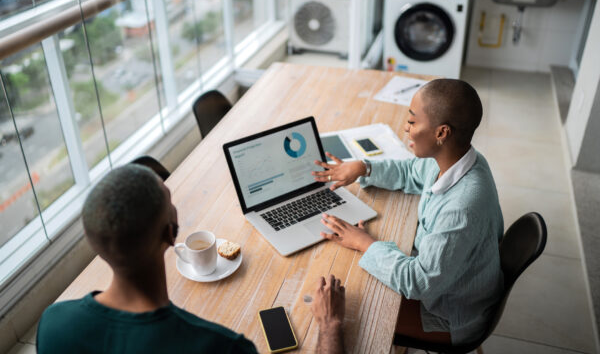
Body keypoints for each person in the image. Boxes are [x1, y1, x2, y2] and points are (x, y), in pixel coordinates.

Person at [37, 164, 346, 353]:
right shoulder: (221, 348)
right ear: (172, 234)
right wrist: (329, 325)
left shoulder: (53, 324)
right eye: (171, 202)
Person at [311, 78, 504, 346]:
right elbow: (410, 171)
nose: (406, 127)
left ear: (441, 133)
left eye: (413, 122)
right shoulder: (460, 158)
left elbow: (418, 282)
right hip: (455, 282)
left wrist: (365, 243)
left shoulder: (461, 208)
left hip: (448, 313)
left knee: (343, 316)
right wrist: (364, 168)